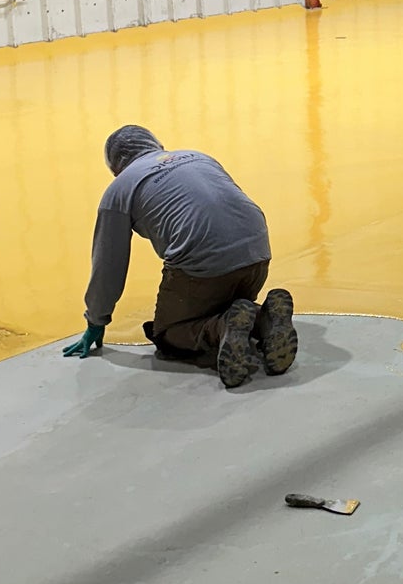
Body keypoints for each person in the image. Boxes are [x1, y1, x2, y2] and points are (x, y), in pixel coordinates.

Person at [63, 124, 295, 391]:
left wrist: (96, 319)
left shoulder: (119, 189)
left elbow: (108, 266)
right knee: (221, 300)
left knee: (169, 333)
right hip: (257, 255)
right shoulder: (198, 157)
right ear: (157, 146)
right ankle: (264, 320)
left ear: (116, 168)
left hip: (204, 269)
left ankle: (223, 327)